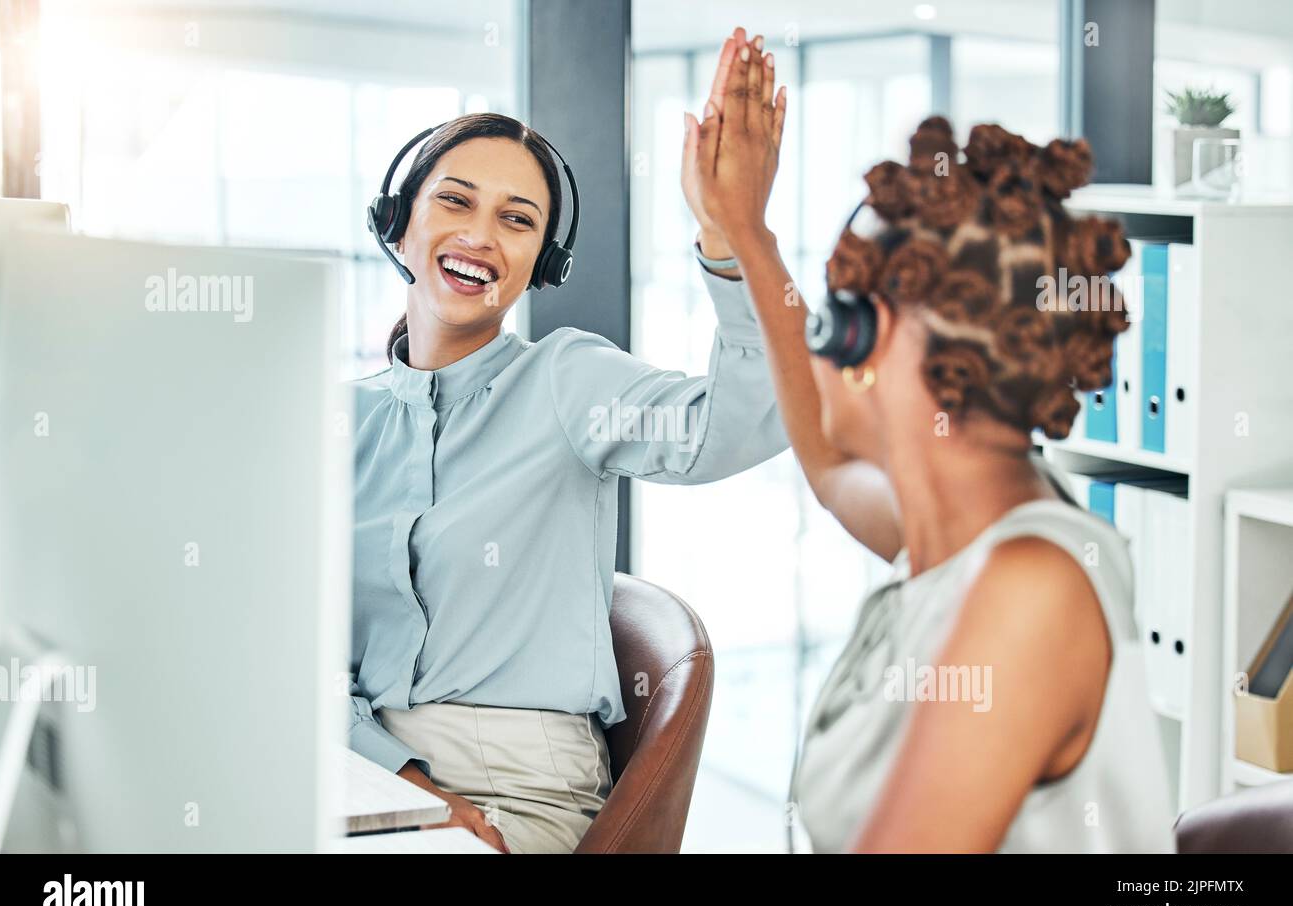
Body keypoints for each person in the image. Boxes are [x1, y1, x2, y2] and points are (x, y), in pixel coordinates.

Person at [692, 27, 1174, 852]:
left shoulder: (1031, 589)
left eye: (837, 312)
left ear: (868, 339)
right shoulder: (958, 534)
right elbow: (832, 460)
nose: (821, 340)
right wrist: (745, 230)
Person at [346, 46, 788, 854]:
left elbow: (748, 420)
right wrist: (402, 783)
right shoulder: (345, 425)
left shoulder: (568, 380)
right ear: (396, 224)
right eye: (455, 201)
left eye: (518, 220)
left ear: (539, 264)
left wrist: (734, 237)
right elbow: (300, 652)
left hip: (518, 792)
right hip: (363, 772)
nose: (482, 235)